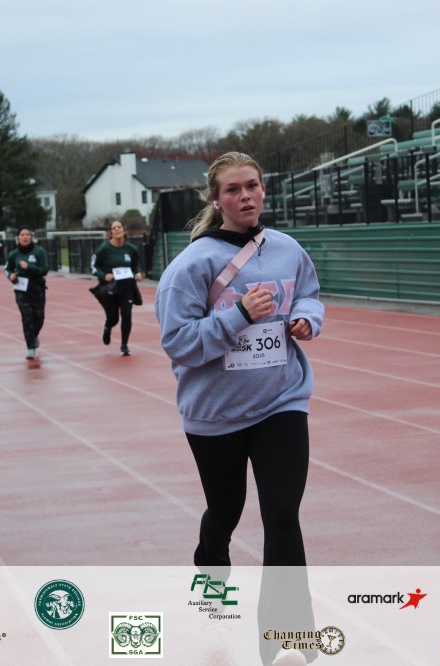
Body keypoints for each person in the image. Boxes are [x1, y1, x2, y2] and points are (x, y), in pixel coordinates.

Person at [154, 152, 325, 569]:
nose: (245, 196)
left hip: (281, 401)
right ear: (216, 201)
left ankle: (285, 613)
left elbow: (308, 293)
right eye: (233, 189)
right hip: (217, 412)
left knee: (282, 515)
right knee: (225, 511)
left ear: (263, 190)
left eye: (252, 186)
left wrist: (307, 318)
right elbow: (178, 341)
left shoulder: (287, 248)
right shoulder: (193, 264)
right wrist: (239, 315)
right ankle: (211, 565)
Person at [92, 219, 143, 356]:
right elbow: (94, 267)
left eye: (119, 227)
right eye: (113, 228)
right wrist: (104, 275)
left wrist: (138, 273)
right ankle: (108, 327)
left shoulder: (131, 249)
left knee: (126, 314)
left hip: (127, 287)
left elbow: (136, 265)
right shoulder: (104, 249)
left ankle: (124, 345)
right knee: (113, 318)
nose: (117, 229)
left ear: (124, 230)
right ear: (110, 232)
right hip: (110, 288)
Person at [5, 226, 49, 359]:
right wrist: (11, 276)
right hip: (21, 289)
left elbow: (44, 270)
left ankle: (34, 336)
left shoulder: (39, 251)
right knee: (27, 317)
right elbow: (8, 269)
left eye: (27, 235)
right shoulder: (14, 254)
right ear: (18, 238)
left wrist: (29, 267)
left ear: (31, 237)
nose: (25, 237)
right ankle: (30, 347)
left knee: (39, 317)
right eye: (22, 235)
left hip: (37, 288)